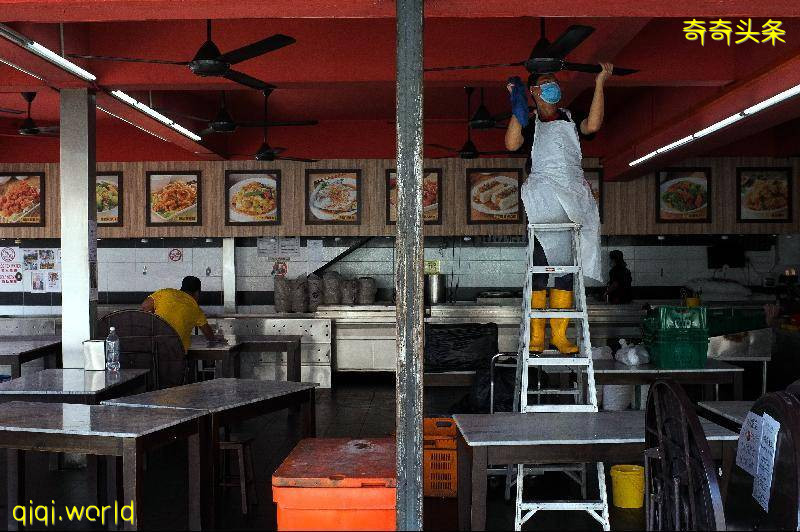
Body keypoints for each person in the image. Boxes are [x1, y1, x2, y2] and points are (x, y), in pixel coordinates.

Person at [505, 63, 612, 354]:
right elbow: (512, 143)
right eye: (546, 82)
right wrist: (518, 108)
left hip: (574, 198)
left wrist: (600, 82)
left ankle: (561, 335)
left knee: (566, 269)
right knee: (541, 267)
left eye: (555, 81)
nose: (554, 86)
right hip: (544, 201)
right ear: (535, 91)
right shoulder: (529, 123)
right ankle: (538, 335)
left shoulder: (569, 117)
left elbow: (593, 125)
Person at [140, 275, 218, 352]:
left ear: (182, 288)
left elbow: (144, 307)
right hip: (177, 354)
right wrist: (214, 339)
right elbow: (209, 334)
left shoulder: (165, 292)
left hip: (154, 349)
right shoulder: (196, 309)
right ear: (197, 293)